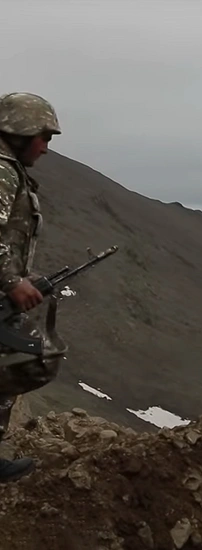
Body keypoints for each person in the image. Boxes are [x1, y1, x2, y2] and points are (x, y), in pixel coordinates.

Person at [0, 91, 67, 481]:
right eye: (43, 137)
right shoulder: (3, 171)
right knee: (32, 359)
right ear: (20, 132)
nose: (45, 147)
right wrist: (11, 282)